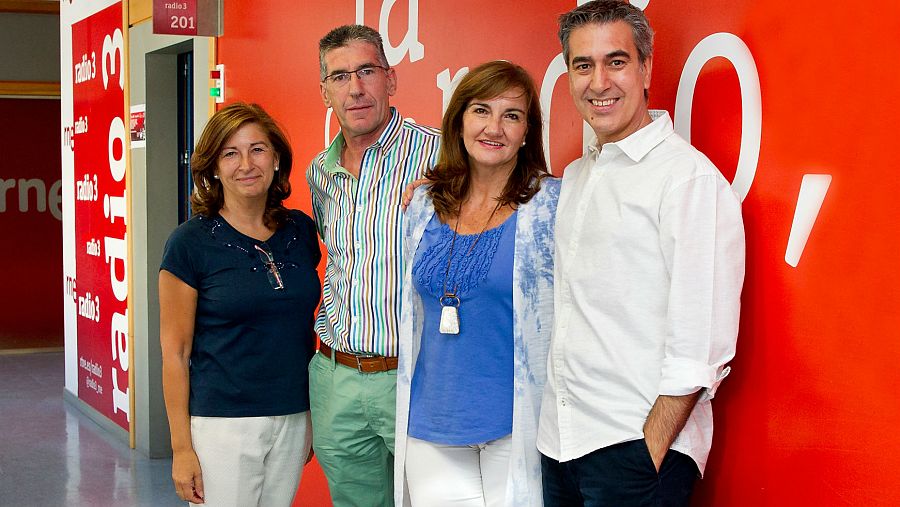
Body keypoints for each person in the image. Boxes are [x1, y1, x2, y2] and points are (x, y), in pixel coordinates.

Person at [536, 2, 746, 506]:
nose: (599, 82)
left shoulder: (687, 179)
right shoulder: (578, 175)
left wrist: (646, 453)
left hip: (633, 452)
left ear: (646, 68)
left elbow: (701, 345)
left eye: (616, 61)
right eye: (583, 65)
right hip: (560, 446)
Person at [395, 60, 559, 507]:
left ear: (527, 131)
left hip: (516, 425)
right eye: (481, 110)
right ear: (459, 121)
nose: (494, 128)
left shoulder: (552, 204)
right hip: (432, 426)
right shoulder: (423, 203)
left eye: (512, 115)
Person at [159, 102, 321, 506]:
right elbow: (175, 353)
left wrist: (310, 416)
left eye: (257, 149)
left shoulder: (300, 231)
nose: (246, 164)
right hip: (222, 424)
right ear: (214, 167)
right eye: (230, 153)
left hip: (293, 414)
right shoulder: (189, 244)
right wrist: (181, 448)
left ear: (276, 159)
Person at [305, 24, 441, 507]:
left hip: (417, 378)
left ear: (391, 79)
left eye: (366, 71)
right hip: (336, 376)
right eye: (340, 76)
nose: (355, 88)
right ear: (325, 92)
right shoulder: (320, 172)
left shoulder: (442, 154)